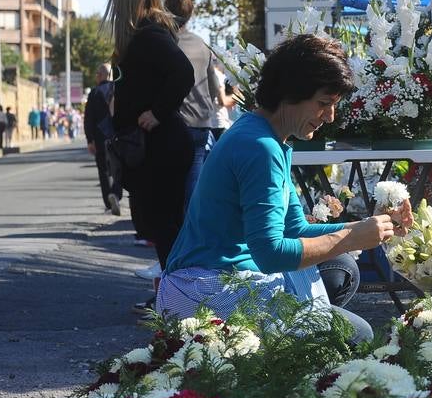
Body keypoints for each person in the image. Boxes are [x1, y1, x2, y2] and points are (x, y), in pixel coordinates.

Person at [158, 33, 406, 342]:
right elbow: (272, 255)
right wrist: (351, 236)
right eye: (323, 104)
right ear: (291, 93)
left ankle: (279, 354)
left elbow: (294, 229)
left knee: (341, 268)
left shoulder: (265, 135)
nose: (329, 117)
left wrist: (369, 228)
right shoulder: (260, 147)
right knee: (357, 335)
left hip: (207, 279)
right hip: (204, 291)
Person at [105, 0, 196, 280]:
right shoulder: (145, 35)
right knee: (160, 226)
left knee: (164, 226)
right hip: (156, 148)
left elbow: (183, 72)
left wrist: (156, 112)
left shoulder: (149, 35)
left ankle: (177, 299)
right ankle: (174, 295)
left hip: (161, 148)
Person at [164, 0, 238, 210]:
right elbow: (215, 94)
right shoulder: (203, 45)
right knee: (192, 191)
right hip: (200, 126)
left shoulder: (162, 42)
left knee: (170, 192)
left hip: (171, 124)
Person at [84, 63, 123, 215]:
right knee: (120, 168)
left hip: (100, 138)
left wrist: (89, 140)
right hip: (118, 135)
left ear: (100, 75)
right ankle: (116, 193)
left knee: (103, 171)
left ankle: (108, 202)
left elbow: (88, 119)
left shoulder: (94, 93)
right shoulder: (117, 89)